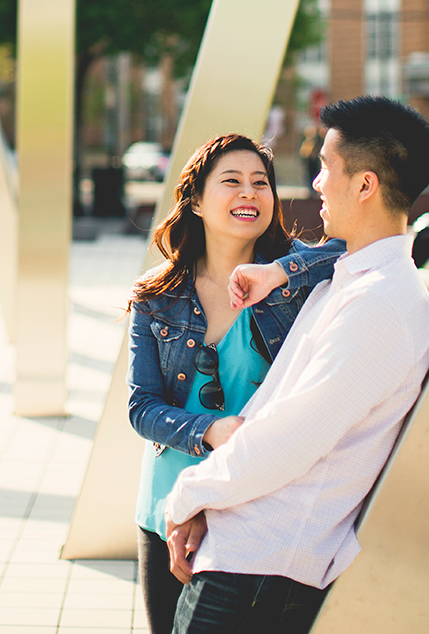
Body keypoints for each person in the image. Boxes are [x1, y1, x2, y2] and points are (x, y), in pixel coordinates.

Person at [162, 96, 429, 634]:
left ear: (364, 185)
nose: (315, 183)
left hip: (260, 567)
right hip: (247, 554)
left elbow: (291, 438)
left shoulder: (379, 306)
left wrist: (189, 495)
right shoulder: (353, 282)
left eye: (325, 168)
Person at [125, 134, 343, 634]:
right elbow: (142, 407)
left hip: (255, 505)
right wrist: (211, 430)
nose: (249, 193)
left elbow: (352, 252)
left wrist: (277, 272)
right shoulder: (157, 295)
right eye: (232, 181)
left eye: (260, 183)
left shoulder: (296, 283)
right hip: (168, 502)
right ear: (197, 200)